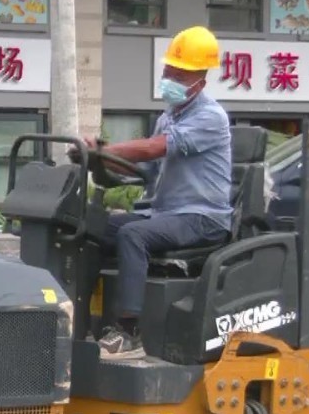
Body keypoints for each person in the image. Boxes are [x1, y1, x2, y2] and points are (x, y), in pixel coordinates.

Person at [85, 25, 234, 361]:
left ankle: (128, 333)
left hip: (202, 217)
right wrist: (100, 162)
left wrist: (105, 149)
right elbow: (146, 171)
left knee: (134, 235)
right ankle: (82, 317)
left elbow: (154, 150)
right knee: (91, 228)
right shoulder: (167, 118)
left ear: (200, 82)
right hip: (166, 213)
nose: (170, 79)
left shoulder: (211, 117)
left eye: (178, 75)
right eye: (168, 71)